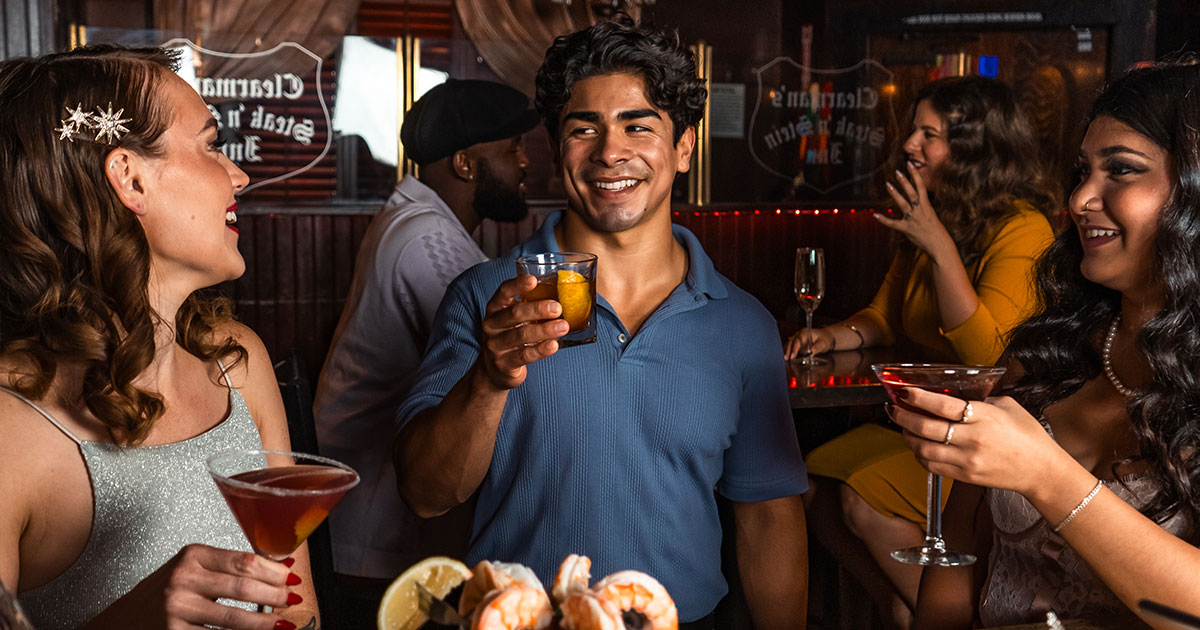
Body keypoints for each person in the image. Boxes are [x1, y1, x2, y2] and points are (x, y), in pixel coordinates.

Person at [393, 17, 809, 629]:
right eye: (583, 128)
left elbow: (769, 516)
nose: (610, 152)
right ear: (558, 149)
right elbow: (426, 495)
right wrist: (489, 376)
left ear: (684, 147)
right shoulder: (486, 296)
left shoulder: (741, 324)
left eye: (638, 126)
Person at [0, 45, 317, 629]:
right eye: (211, 146)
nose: (240, 175)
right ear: (129, 177)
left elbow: (295, 614)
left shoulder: (236, 363)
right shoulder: (10, 425)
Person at [891, 58, 1200, 629]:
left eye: (1122, 171)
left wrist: (1046, 475)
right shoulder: (1044, 355)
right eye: (1082, 171)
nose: (1081, 198)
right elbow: (957, 553)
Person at [785, 76, 1060, 627]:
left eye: (928, 134)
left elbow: (988, 358)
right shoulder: (938, 216)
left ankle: (938, 617)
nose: (910, 144)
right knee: (803, 483)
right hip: (919, 423)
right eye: (914, 130)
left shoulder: (1022, 228)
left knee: (857, 499)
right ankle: (901, 603)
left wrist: (936, 244)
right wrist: (831, 335)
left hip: (977, 435)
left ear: (973, 150)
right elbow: (886, 316)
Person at [313, 79, 537, 595]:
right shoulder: (428, 238)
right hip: (374, 533)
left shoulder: (416, 220)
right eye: (511, 149)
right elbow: (501, 364)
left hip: (367, 520)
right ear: (465, 164)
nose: (525, 163)